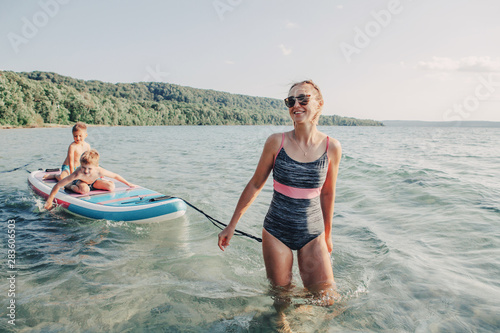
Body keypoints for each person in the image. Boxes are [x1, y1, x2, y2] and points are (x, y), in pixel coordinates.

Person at [218, 80, 342, 306]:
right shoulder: (276, 142)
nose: (296, 105)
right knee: (281, 300)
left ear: (319, 104)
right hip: (277, 232)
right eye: (291, 100)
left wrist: (327, 234)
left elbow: (327, 194)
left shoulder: (332, 147)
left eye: (303, 99)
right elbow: (255, 184)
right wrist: (231, 224)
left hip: (313, 235)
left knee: (327, 300)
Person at [44, 149, 137, 210]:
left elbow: (115, 176)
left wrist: (128, 184)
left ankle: (98, 184)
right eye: (84, 167)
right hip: (80, 182)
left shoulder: (99, 171)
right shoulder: (78, 172)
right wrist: (49, 201)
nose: (86, 171)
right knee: (84, 190)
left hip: (93, 182)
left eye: (89, 168)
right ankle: (69, 185)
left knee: (111, 187)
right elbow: (58, 185)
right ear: (81, 165)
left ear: (96, 166)